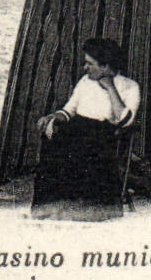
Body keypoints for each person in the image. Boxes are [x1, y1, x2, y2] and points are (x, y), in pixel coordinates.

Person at [31, 37, 141, 221]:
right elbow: (68, 111)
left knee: (84, 147)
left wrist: (110, 87)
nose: (85, 68)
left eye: (90, 64)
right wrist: (51, 117)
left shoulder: (130, 87)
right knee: (53, 143)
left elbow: (125, 121)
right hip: (77, 129)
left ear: (105, 66)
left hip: (105, 134)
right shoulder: (85, 81)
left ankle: (88, 209)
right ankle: (49, 206)